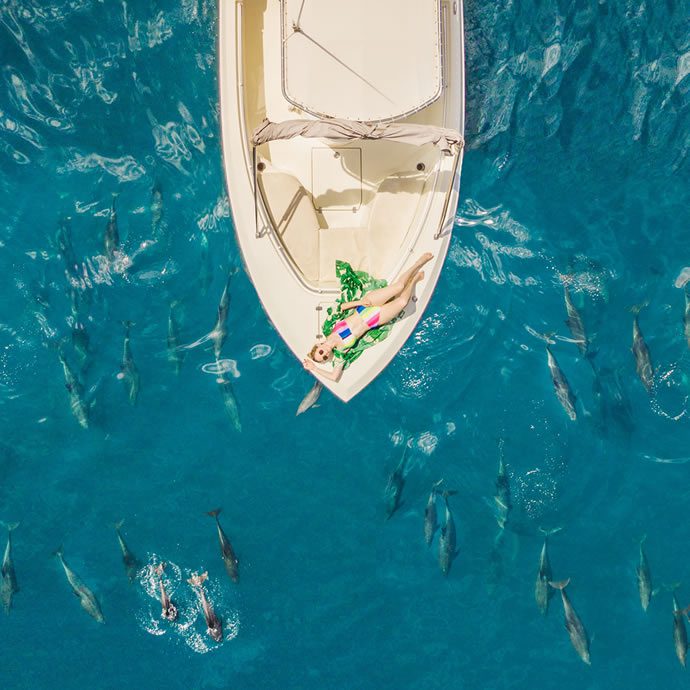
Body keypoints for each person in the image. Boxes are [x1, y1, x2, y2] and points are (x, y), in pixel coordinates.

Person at [302, 253, 433, 382]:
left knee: (398, 287)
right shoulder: (340, 352)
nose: (325, 354)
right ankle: (414, 280)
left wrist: (359, 303)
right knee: (403, 302)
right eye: (325, 358)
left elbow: (340, 307)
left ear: (318, 345)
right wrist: (314, 368)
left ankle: (418, 263)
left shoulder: (328, 327)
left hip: (364, 306)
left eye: (321, 353)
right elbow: (334, 377)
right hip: (374, 320)